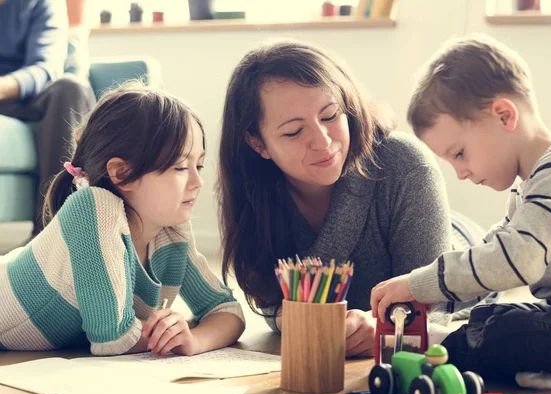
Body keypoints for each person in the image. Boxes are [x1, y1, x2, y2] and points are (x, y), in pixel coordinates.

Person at [371, 34, 551, 387]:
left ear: (504, 115)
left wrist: (421, 285)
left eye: (459, 154)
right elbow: (490, 254)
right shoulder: (530, 185)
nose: (460, 173)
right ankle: (480, 349)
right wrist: (441, 298)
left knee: (510, 332)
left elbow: (513, 261)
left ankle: (443, 350)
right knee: (493, 315)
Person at [217, 40, 451, 358]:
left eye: (330, 116)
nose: (323, 141)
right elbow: (272, 304)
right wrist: (300, 318)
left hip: (457, 249)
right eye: (294, 132)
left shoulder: (406, 164)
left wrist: (383, 329)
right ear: (258, 144)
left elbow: (432, 306)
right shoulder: (253, 192)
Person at [0, 82, 245, 356]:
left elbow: (227, 310)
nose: (198, 181)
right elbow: (113, 339)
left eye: (198, 165)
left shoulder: (170, 228)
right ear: (122, 173)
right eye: (180, 167)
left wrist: (193, 339)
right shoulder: (94, 208)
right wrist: (169, 335)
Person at [0, 0, 96, 236]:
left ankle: (55, 231)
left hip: (24, 97)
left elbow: (45, 67)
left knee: (70, 88)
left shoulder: (41, 3)